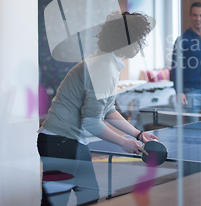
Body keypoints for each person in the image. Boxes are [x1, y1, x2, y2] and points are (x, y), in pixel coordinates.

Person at [38, 11, 158, 205]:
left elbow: (108, 109)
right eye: (138, 40)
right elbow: (91, 121)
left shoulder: (107, 61)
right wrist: (123, 142)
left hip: (70, 140)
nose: (140, 45)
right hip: (59, 141)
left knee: (89, 197)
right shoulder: (104, 67)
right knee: (56, 202)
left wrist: (137, 134)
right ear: (125, 40)